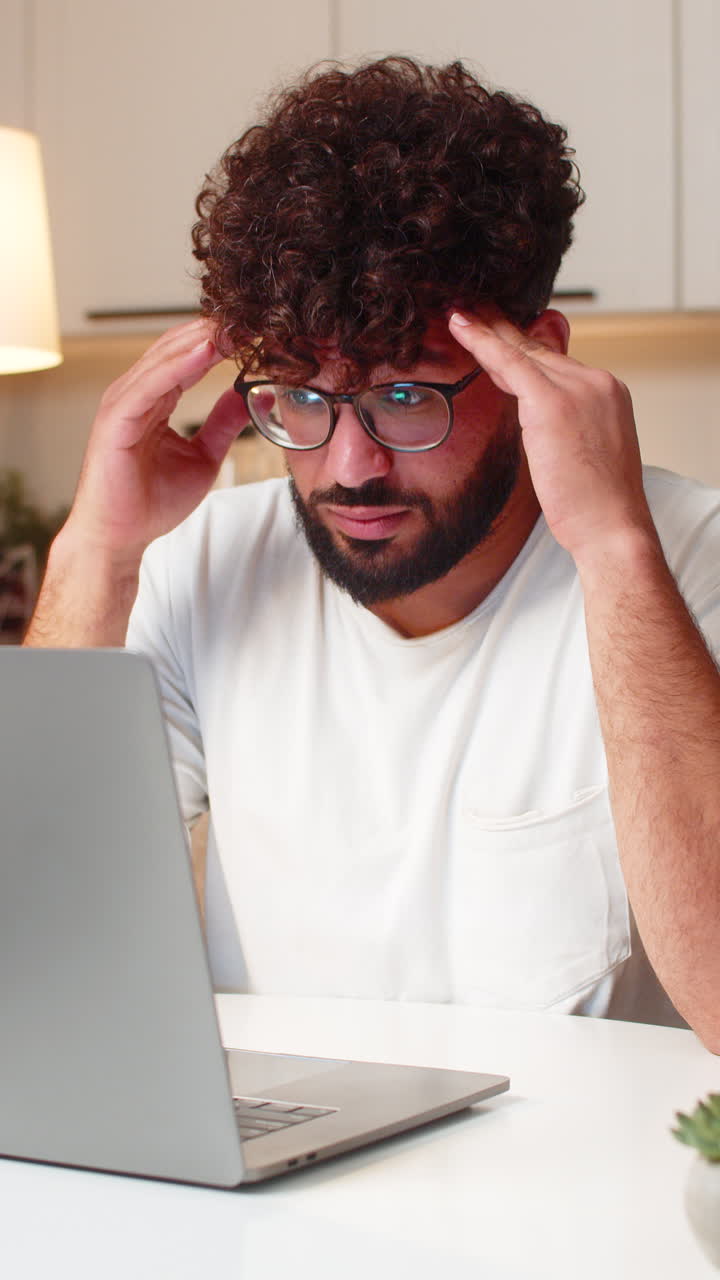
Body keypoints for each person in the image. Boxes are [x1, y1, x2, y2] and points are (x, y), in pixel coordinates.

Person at [25, 58, 720, 1048]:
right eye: (301, 395)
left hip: (571, 1195)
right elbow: (33, 943)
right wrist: (95, 548)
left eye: (407, 395)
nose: (350, 467)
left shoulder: (686, 563)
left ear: (542, 359)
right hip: (268, 1191)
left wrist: (611, 548)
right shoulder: (201, 563)